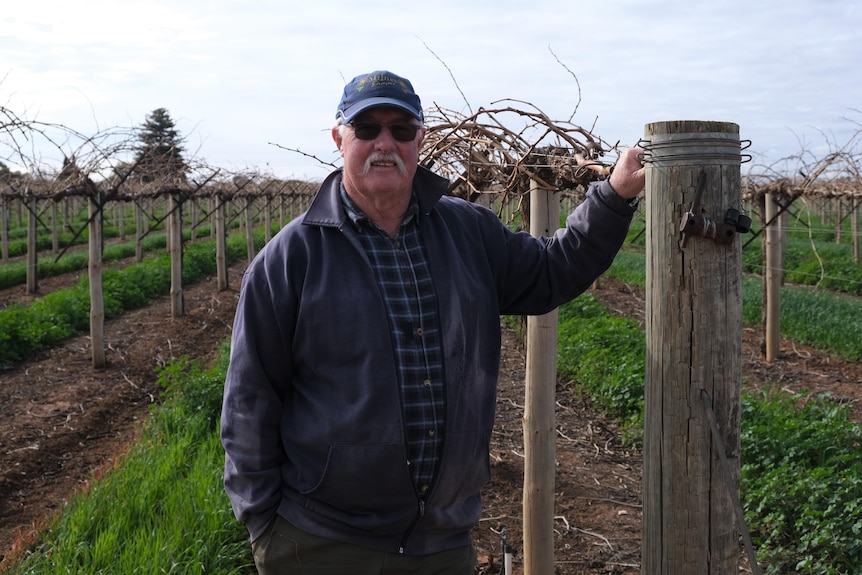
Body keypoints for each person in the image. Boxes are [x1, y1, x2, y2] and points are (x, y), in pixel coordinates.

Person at [221, 70, 645, 575]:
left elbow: (552, 271)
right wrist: (264, 524)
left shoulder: (469, 231)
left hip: (441, 543)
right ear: (339, 138)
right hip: (321, 541)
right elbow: (250, 401)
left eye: (401, 130)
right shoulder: (289, 259)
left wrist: (613, 197)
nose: (385, 143)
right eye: (367, 128)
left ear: (421, 140)